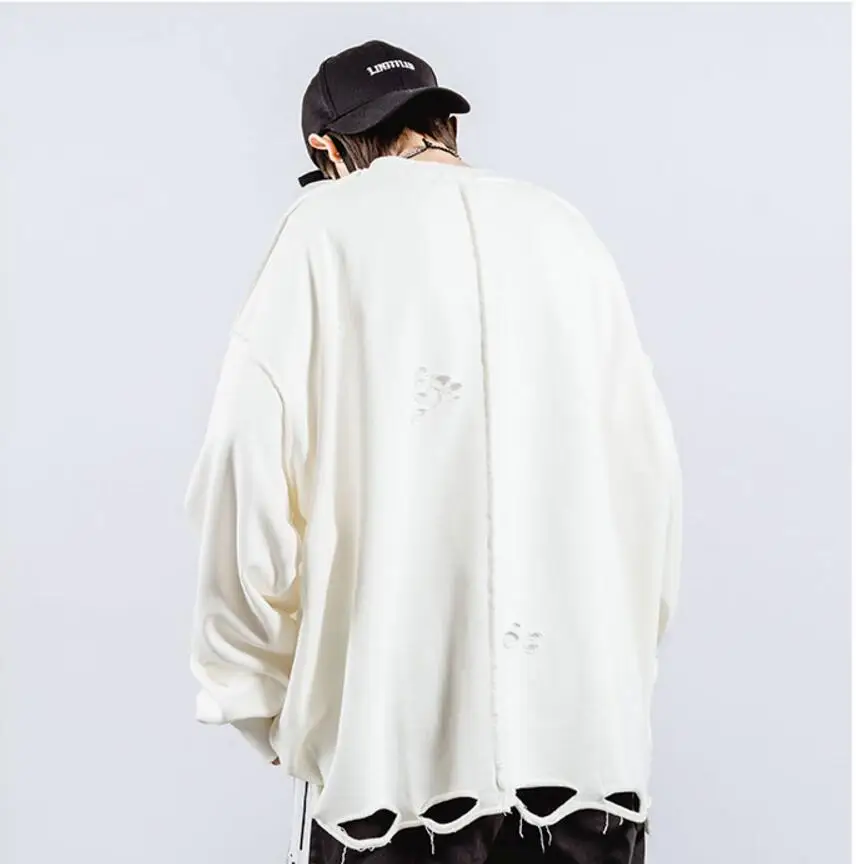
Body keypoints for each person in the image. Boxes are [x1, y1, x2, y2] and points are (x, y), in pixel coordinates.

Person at [184, 38, 682, 864]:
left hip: (394, 764)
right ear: (446, 124)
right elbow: (649, 483)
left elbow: (245, 469)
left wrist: (259, 699)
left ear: (327, 150)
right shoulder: (565, 229)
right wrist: (616, 679)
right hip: (588, 757)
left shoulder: (322, 229)